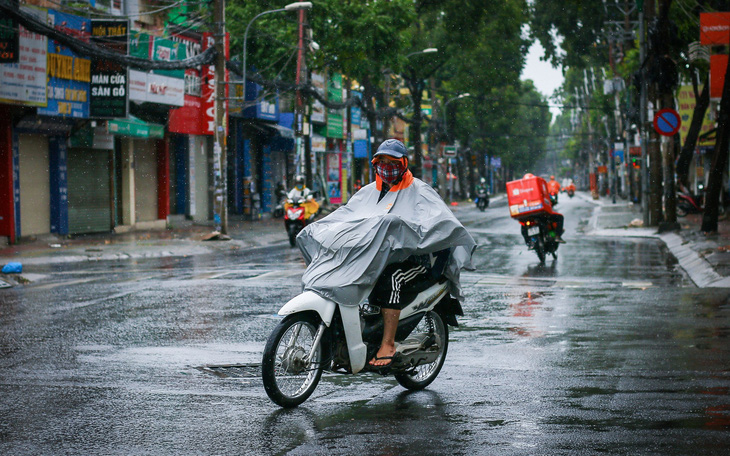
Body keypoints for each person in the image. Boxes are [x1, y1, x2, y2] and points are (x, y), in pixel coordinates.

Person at [366, 139, 459, 367]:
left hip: (419, 260)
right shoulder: (371, 192)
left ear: (404, 163)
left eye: (393, 162)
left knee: (392, 279)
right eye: (382, 162)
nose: (387, 167)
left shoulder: (420, 191)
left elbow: (441, 223)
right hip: (384, 257)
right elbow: (353, 216)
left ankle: (388, 343)